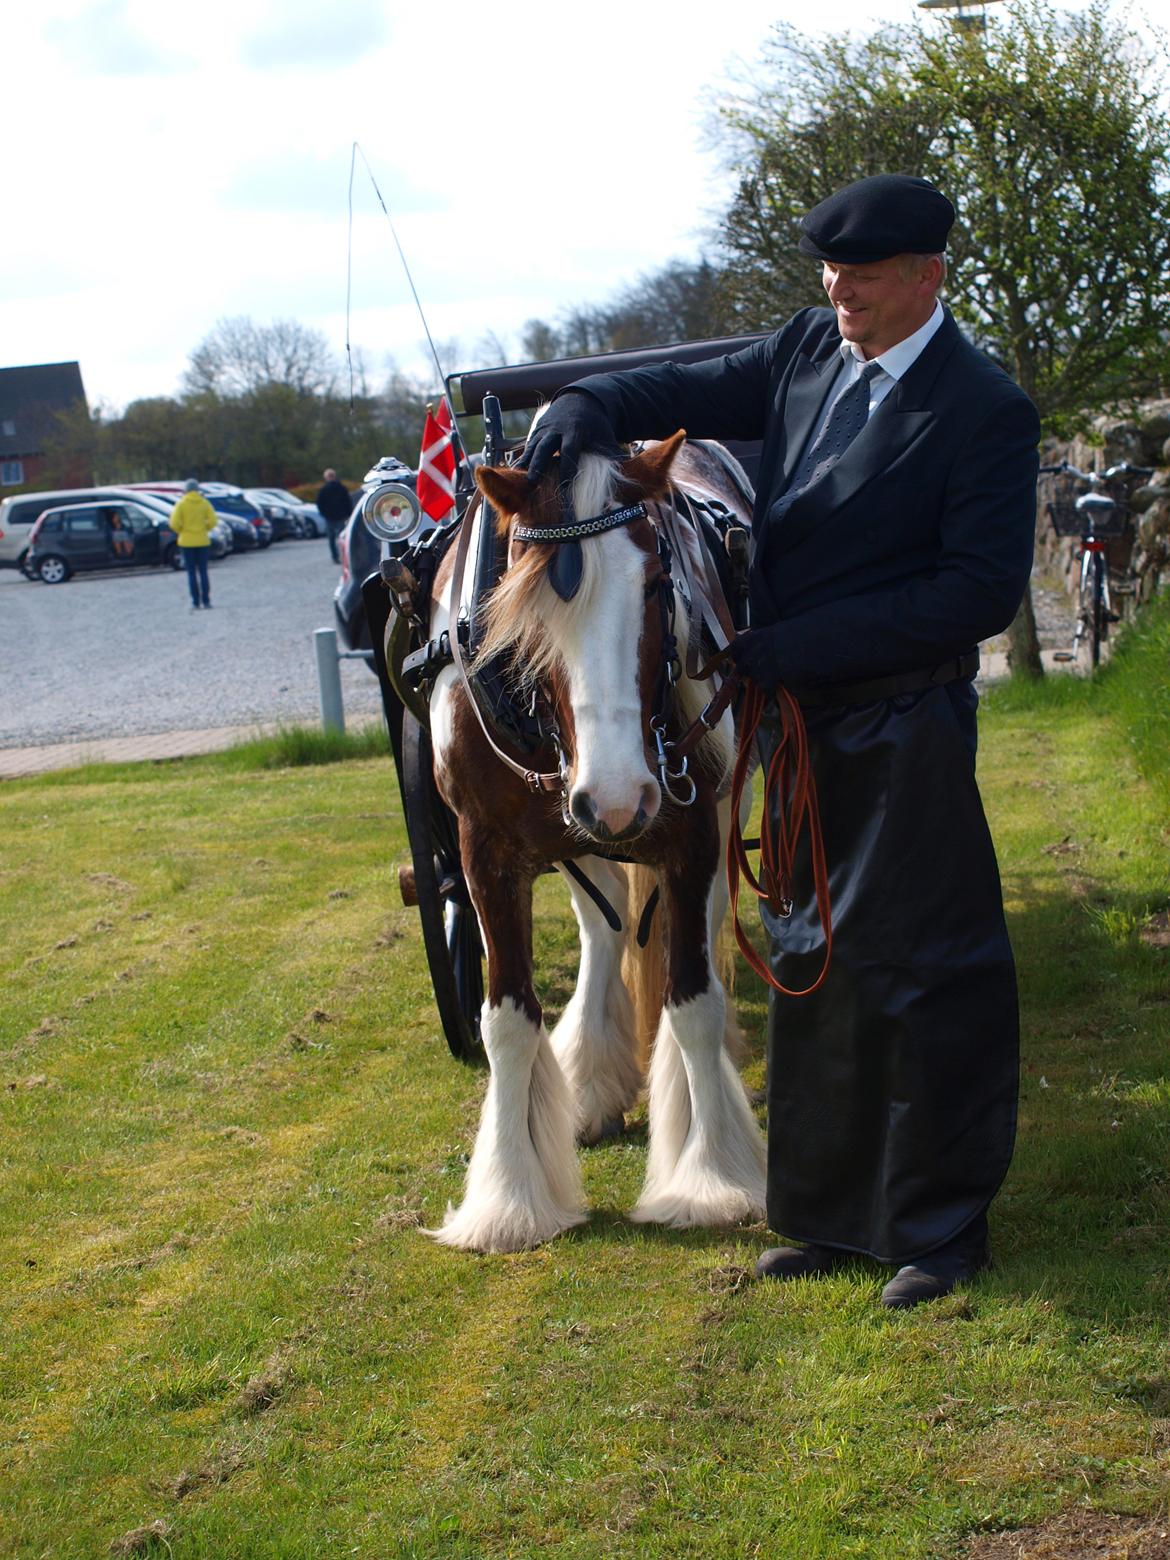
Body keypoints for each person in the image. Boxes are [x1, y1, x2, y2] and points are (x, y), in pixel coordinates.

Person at [520, 174, 1040, 1310]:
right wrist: (583, 408)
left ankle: (940, 1229)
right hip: (799, 728)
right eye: (831, 272)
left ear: (926, 278)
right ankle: (831, 1213)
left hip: (903, 722)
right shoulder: (810, 349)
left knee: (921, 971)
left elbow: (976, 594)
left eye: (863, 275)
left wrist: (798, 644)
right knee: (809, 962)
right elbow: (680, 383)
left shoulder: (981, 409)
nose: (838, 290)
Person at [169, 479, 218, 610]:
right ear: (197, 489)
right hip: (202, 540)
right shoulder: (204, 503)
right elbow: (213, 520)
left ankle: (195, 602)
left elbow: (174, 523)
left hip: (186, 541)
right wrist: (205, 528)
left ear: (186, 490)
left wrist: (182, 530)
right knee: (203, 572)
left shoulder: (181, 504)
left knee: (191, 573)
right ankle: (206, 600)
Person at [316, 468, 353, 564]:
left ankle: (335, 556)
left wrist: (324, 514)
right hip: (341, 516)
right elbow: (348, 502)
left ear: (326, 477)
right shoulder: (342, 488)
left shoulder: (323, 490)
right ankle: (344, 555)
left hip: (329, 518)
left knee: (331, 538)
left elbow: (320, 504)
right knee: (342, 538)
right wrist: (348, 514)